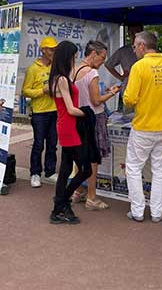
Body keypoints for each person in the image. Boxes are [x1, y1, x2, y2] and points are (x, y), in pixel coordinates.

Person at [123, 31, 162, 223]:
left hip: (143, 126)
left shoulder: (139, 67)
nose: (134, 50)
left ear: (142, 46)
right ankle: (157, 212)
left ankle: (138, 210)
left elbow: (129, 99)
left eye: (134, 46)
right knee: (160, 170)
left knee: (133, 168)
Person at [72, 40, 121, 210]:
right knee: (93, 160)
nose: (102, 62)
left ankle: (77, 190)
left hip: (78, 117)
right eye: (102, 57)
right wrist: (112, 93)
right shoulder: (92, 73)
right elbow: (96, 100)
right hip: (94, 118)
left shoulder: (74, 70)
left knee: (79, 158)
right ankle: (92, 197)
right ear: (93, 53)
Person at [48, 41, 92, 224]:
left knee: (66, 170)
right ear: (68, 57)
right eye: (74, 56)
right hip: (69, 127)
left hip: (65, 126)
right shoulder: (62, 79)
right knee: (85, 169)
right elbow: (71, 109)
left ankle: (59, 207)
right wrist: (88, 113)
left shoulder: (57, 77)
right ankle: (61, 203)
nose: (75, 59)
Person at [21, 36, 59, 188]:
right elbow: (25, 91)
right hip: (39, 112)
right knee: (38, 144)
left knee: (52, 143)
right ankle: (35, 173)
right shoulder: (33, 69)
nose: (53, 52)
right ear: (43, 50)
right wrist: (42, 91)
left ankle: (50, 172)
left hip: (54, 110)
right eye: (51, 50)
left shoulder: (55, 67)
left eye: (55, 50)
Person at [105, 24, 143, 110]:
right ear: (129, 34)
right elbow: (108, 64)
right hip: (129, 91)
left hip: (147, 92)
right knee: (129, 119)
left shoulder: (148, 50)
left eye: (137, 32)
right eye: (132, 33)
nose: (135, 35)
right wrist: (120, 77)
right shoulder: (123, 51)